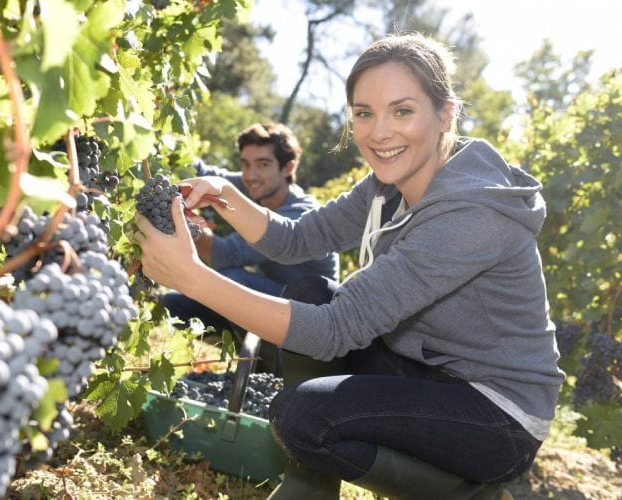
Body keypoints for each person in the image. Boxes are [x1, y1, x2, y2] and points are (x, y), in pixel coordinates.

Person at [134, 32, 565, 499]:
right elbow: (297, 238)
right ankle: (310, 489)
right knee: (309, 290)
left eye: (402, 111)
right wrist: (227, 198)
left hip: (496, 414)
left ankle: (464, 493)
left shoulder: (471, 213)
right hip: (424, 369)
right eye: (364, 113)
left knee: (303, 417)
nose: (379, 133)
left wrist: (192, 279)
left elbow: (335, 330)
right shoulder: (389, 182)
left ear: (445, 114)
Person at [162, 123, 339, 372]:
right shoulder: (255, 185)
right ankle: (245, 353)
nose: (250, 174)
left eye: (263, 164)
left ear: (289, 167)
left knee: (232, 278)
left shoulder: (298, 212)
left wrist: (182, 220)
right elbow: (204, 174)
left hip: (308, 320)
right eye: (245, 164)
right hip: (267, 304)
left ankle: (268, 369)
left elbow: (222, 255)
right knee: (174, 305)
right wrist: (163, 143)